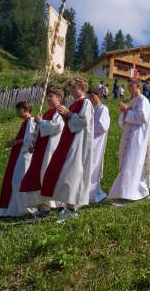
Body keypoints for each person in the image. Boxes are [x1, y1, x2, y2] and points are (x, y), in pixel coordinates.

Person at [41, 77, 94, 222]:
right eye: (70, 89)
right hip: (69, 140)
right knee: (66, 173)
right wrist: (65, 115)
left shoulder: (86, 102)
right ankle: (69, 207)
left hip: (78, 142)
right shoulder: (75, 103)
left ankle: (71, 208)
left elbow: (83, 121)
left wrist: (68, 114)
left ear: (82, 88)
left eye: (74, 88)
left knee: (73, 173)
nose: (71, 91)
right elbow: (71, 122)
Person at [20, 87, 64, 215]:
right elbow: (39, 131)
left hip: (50, 149)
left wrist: (41, 122)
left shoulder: (59, 111)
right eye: (48, 96)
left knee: (46, 175)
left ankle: (52, 205)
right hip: (40, 149)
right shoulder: (46, 112)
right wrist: (34, 142)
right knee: (36, 176)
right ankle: (42, 207)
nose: (48, 98)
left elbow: (57, 127)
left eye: (52, 96)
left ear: (59, 98)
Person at [108, 80, 150, 204]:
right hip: (129, 135)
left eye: (132, 86)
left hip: (137, 137)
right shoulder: (132, 101)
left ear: (138, 87)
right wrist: (124, 113)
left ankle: (133, 193)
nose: (130, 89)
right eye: (128, 87)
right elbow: (124, 122)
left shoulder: (143, 100)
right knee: (126, 164)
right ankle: (125, 192)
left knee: (133, 164)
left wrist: (127, 112)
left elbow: (143, 118)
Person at [0, 101, 36, 218]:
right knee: (14, 181)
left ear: (25, 109)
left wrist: (15, 142)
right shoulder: (26, 122)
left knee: (19, 181)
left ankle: (27, 209)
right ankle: (16, 209)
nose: (17, 112)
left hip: (25, 155)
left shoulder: (31, 121)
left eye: (18, 109)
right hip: (19, 154)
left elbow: (30, 139)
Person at [88, 89, 109, 204]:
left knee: (93, 165)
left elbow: (102, 126)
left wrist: (88, 127)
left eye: (92, 96)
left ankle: (94, 193)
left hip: (97, 142)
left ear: (98, 96)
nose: (91, 98)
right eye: (89, 96)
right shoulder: (90, 108)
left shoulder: (102, 109)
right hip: (89, 141)